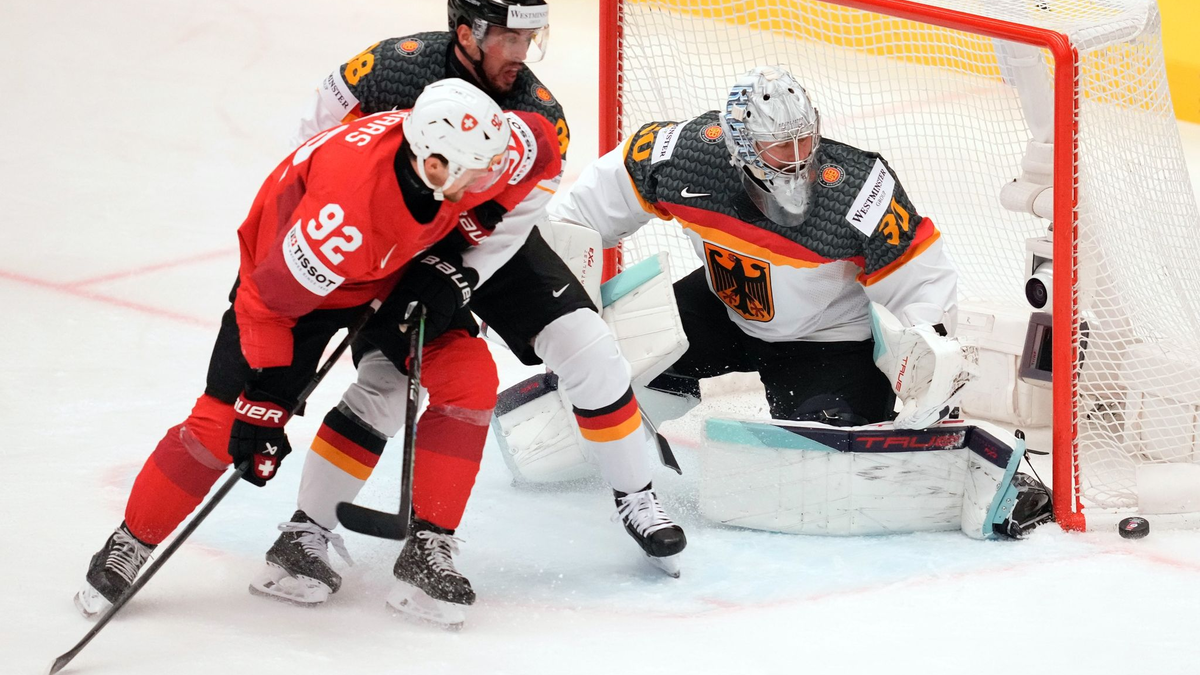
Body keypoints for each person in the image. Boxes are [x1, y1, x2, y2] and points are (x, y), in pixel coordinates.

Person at [249, 0, 687, 625]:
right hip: (392, 241)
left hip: (488, 237)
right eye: (511, 38)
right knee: (385, 382)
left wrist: (458, 270)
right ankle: (304, 534)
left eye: (532, 37)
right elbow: (315, 144)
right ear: (466, 33)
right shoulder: (390, 69)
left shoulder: (539, 114)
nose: (525, 55)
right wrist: (346, 239)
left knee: (589, 346)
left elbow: (523, 208)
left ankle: (636, 495)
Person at [74, 78, 560, 619]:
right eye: (475, 177)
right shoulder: (343, 218)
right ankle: (130, 543)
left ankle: (428, 547)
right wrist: (263, 403)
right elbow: (268, 303)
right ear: (432, 165)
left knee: (469, 378)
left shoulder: (475, 151)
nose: (489, 181)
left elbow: (542, 151)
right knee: (222, 427)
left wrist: (463, 253)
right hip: (292, 289)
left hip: (394, 267)